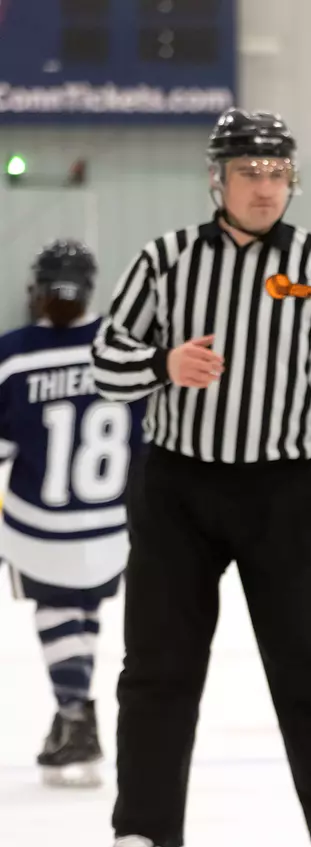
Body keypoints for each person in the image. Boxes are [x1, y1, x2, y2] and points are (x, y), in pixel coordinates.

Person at [90, 109, 311, 847]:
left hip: (286, 491)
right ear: (218, 178)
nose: (265, 187)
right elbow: (107, 361)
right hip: (177, 490)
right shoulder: (164, 261)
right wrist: (163, 363)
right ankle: (139, 824)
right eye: (250, 172)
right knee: (157, 665)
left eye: (277, 172)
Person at [0, 240, 143, 787]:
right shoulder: (123, 347)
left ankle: (76, 713)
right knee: (82, 609)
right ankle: (72, 714)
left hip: (38, 528)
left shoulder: (13, 353)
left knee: (56, 610)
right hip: (111, 530)